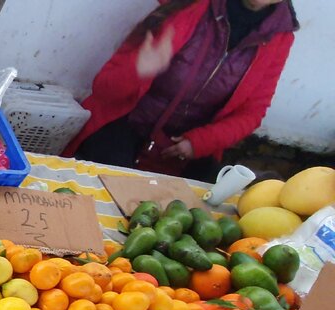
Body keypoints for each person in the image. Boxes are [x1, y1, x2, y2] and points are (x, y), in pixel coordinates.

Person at [66, 0, 298, 181]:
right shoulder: (187, 6)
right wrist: (139, 69)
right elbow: (105, 89)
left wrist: (200, 142)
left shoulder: (281, 36)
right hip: (125, 126)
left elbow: (253, 112)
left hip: (183, 150)